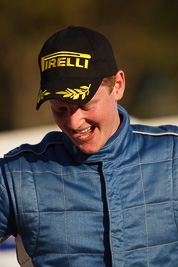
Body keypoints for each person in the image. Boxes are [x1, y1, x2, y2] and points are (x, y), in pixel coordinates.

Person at [0, 26, 178, 267]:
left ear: (118, 86)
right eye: (59, 108)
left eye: (85, 105)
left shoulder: (173, 155)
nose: (74, 122)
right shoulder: (16, 175)